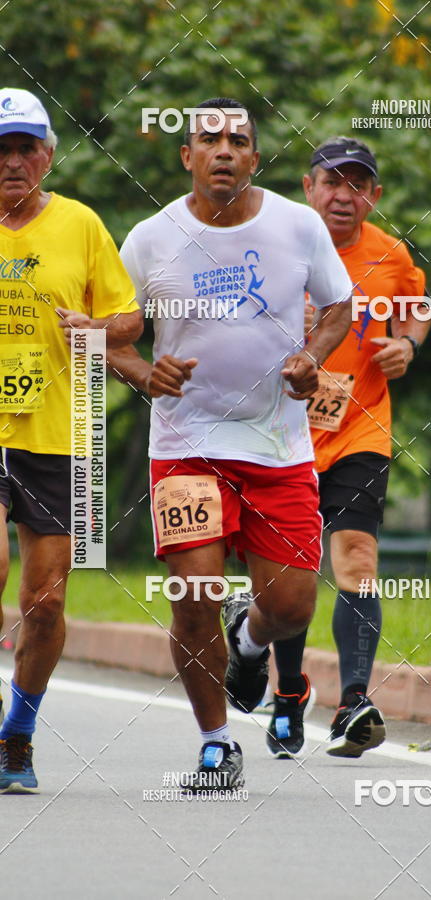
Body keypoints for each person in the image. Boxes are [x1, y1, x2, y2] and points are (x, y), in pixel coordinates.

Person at [107, 99, 352, 790]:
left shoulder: (297, 226)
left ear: (253, 158)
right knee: (194, 593)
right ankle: (217, 742)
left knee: (294, 605)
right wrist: (141, 371)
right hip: (187, 444)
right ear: (187, 156)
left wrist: (312, 355)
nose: (223, 151)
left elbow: (339, 306)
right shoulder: (152, 238)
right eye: (208, 140)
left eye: (237, 141)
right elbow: (113, 334)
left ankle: (249, 642)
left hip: (277, 445)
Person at [0, 88, 142, 793]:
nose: (13, 162)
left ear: (49, 156)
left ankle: (17, 733)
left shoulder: (81, 225)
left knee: (46, 601)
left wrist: (90, 330)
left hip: (55, 431)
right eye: (1, 149)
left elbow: (128, 322)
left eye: (26, 147)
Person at [270, 136, 430, 758]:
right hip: (279, 435)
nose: (344, 195)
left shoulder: (390, 253)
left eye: (357, 184)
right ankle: (287, 694)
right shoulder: (274, 244)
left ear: (374, 196)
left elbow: (417, 310)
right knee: (290, 577)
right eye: (332, 182)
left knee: (356, 559)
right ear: (308, 188)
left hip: (361, 430)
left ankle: (354, 702)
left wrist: (407, 346)